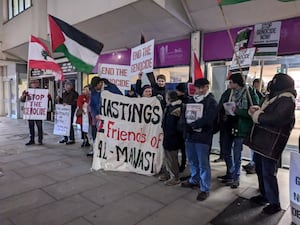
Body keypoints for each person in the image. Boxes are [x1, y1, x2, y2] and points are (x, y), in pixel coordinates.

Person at [247, 73, 296, 214]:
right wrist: (258, 110)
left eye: (274, 81)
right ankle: (264, 195)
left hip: (271, 142)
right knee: (260, 169)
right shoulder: (275, 96)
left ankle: (274, 203)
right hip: (262, 140)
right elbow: (269, 112)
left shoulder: (287, 99)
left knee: (268, 172)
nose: (271, 83)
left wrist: (258, 116)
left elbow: (277, 118)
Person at [217, 73, 259, 189]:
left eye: (231, 82)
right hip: (228, 125)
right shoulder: (228, 92)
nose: (229, 84)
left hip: (241, 127)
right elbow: (221, 105)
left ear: (237, 83)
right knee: (225, 151)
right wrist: (223, 112)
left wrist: (238, 111)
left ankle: (236, 178)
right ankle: (230, 173)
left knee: (237, 153)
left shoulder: (250, 93)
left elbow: (254, 112)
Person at [180, 78, 218, 201]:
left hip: (203, 137)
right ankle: (194, 180)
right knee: (192, 160)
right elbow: (184, 115)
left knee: (203, 164)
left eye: (203, 87)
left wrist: (193, 126)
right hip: (191, 136)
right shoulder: (191, 100)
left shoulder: (211, 102)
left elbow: (209, 119)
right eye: (198, 88)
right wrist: (185, 126)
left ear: (207, 87)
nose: (200, 90)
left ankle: (205, 188)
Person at [158, 91, 183, 186]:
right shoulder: (169, 107)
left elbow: (177, 126)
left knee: (172, 158)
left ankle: (175, 177)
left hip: (173, 138)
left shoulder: (177, 109)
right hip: (167, 136)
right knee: (167, 157)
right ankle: (168, 173)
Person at [243, 78, 265, 174]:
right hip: (254, 124)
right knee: (253, 147)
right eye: (255, 84)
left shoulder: (263, 96)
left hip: (260, 124)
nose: (256, 86)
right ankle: (252, 162)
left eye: (258, 84)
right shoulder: (253, 93)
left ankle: (254, 164)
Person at [20, 79, 44, 145]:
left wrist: (48, 97)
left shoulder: (41, 91)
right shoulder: (27, 91)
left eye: (37, 83)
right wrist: (24, 95)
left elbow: (45, 100)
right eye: (34, 83)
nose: (35, 84)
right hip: (30, 112)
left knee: (39, 126)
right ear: (30, 84)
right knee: (31, 126)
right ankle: (32, 139)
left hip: (38, 112)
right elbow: (21, 100)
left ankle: (40, 140)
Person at [175, 83, 188, 172]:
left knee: (181, 148)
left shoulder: (181, 101)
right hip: (181, 127)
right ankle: (182, 164)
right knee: (183, 149)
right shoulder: (188, 100)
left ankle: (182, 164)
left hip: (180, 127)